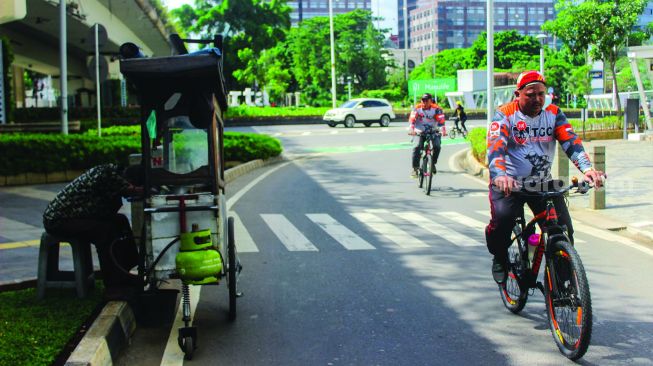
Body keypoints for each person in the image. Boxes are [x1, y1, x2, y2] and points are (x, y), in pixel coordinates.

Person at [485, 71, 605, 283]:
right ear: (518, 94)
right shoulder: (505, 114)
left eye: (541, 94)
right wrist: (500, 175)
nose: (537, 99)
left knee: (564, 229)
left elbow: (571, 142)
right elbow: (496, 148)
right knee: (503, 220)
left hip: (541, 181)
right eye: (530, 94)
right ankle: (500, 256)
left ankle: (563, 283)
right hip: (509, 183)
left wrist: (587, 170)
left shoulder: (553, 113)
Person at [43, 163, 144, 299]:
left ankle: (127, 273)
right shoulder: (108, 175)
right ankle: (112, 287)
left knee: (121, 221)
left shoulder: (112, 172)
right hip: (59, 220)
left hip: (77, 216)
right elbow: (132, 191)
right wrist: (144, 190)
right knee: (105, 232)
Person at [408, 93, 446, 178]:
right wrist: (411, 129)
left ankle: (433, 163)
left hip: (433, 131)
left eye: (426, 100)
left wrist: (443, 130)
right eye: (423, 100)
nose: (424, 102)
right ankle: (415, 168)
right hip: (419, 131)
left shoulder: (437, 109)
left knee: (437, 146)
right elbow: (412, 120)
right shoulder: (417, 108)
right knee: (417, 147)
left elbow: (441, 121)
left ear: (431, 101)